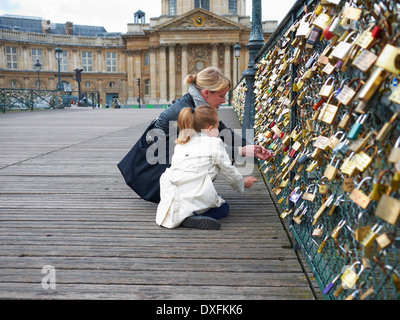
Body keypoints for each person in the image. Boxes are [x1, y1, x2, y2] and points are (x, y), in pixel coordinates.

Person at [156, 106, 257, 230]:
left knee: (206, 195)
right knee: (224, 208)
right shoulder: (215, 144)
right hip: (195, 190)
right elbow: (228, 170)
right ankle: (192, 216)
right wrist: (242, 182)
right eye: (217, 129)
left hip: (173, 190)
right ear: (210, 129)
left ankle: (182, 213)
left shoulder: (181, 143)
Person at [154, 67, 270, 162]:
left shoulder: (196, 104)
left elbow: (221, 130)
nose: (224, 100)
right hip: (155, 173)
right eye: (221, 96)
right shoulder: (185, 111)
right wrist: (241, 151)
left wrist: (252, 148)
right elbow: (200, 152)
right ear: (206, 93)